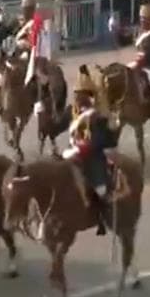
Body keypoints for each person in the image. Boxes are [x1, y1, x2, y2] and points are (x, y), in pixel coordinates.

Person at [63, 65, 118, 236]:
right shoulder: (73, 113)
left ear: (89, 97)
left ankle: (104, 215)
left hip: (92, 155)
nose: (77, 99)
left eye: (80, 95)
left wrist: (85, 147)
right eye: (76, 95)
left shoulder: (96, 116)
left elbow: (101, 140)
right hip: (74, 151)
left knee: (100, 188)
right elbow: (62, 127)